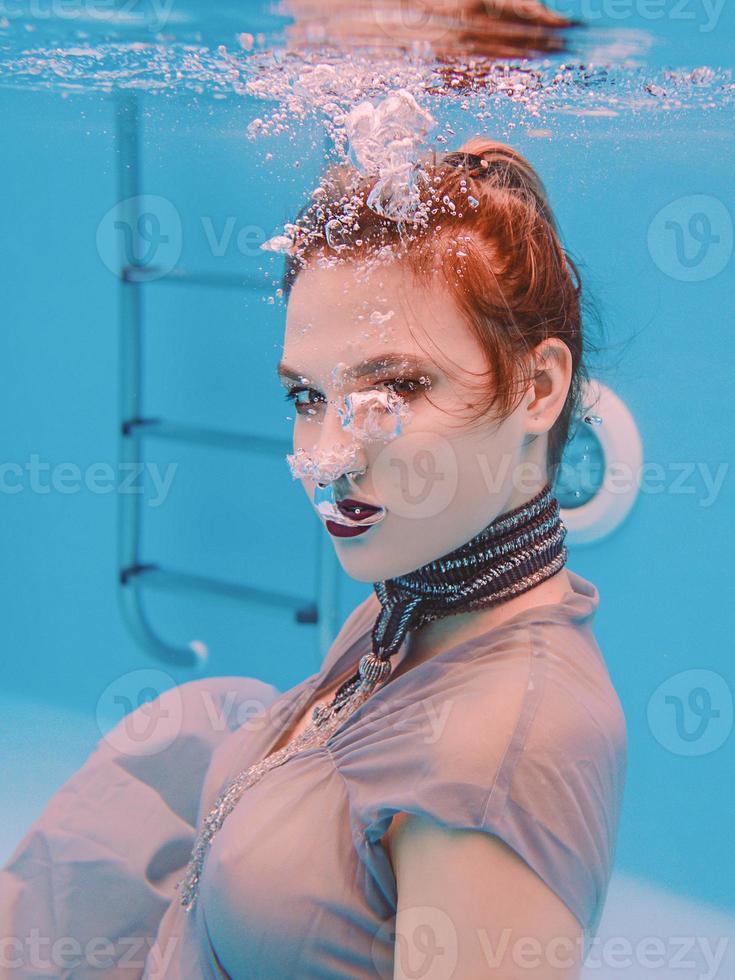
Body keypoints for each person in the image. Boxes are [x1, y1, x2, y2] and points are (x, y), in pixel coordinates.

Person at [0, 139, 627, 978]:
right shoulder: (420, 591)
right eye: (307, 396)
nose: (327, 456)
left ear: (538, 389)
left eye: (396, 387)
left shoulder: (497, 758)